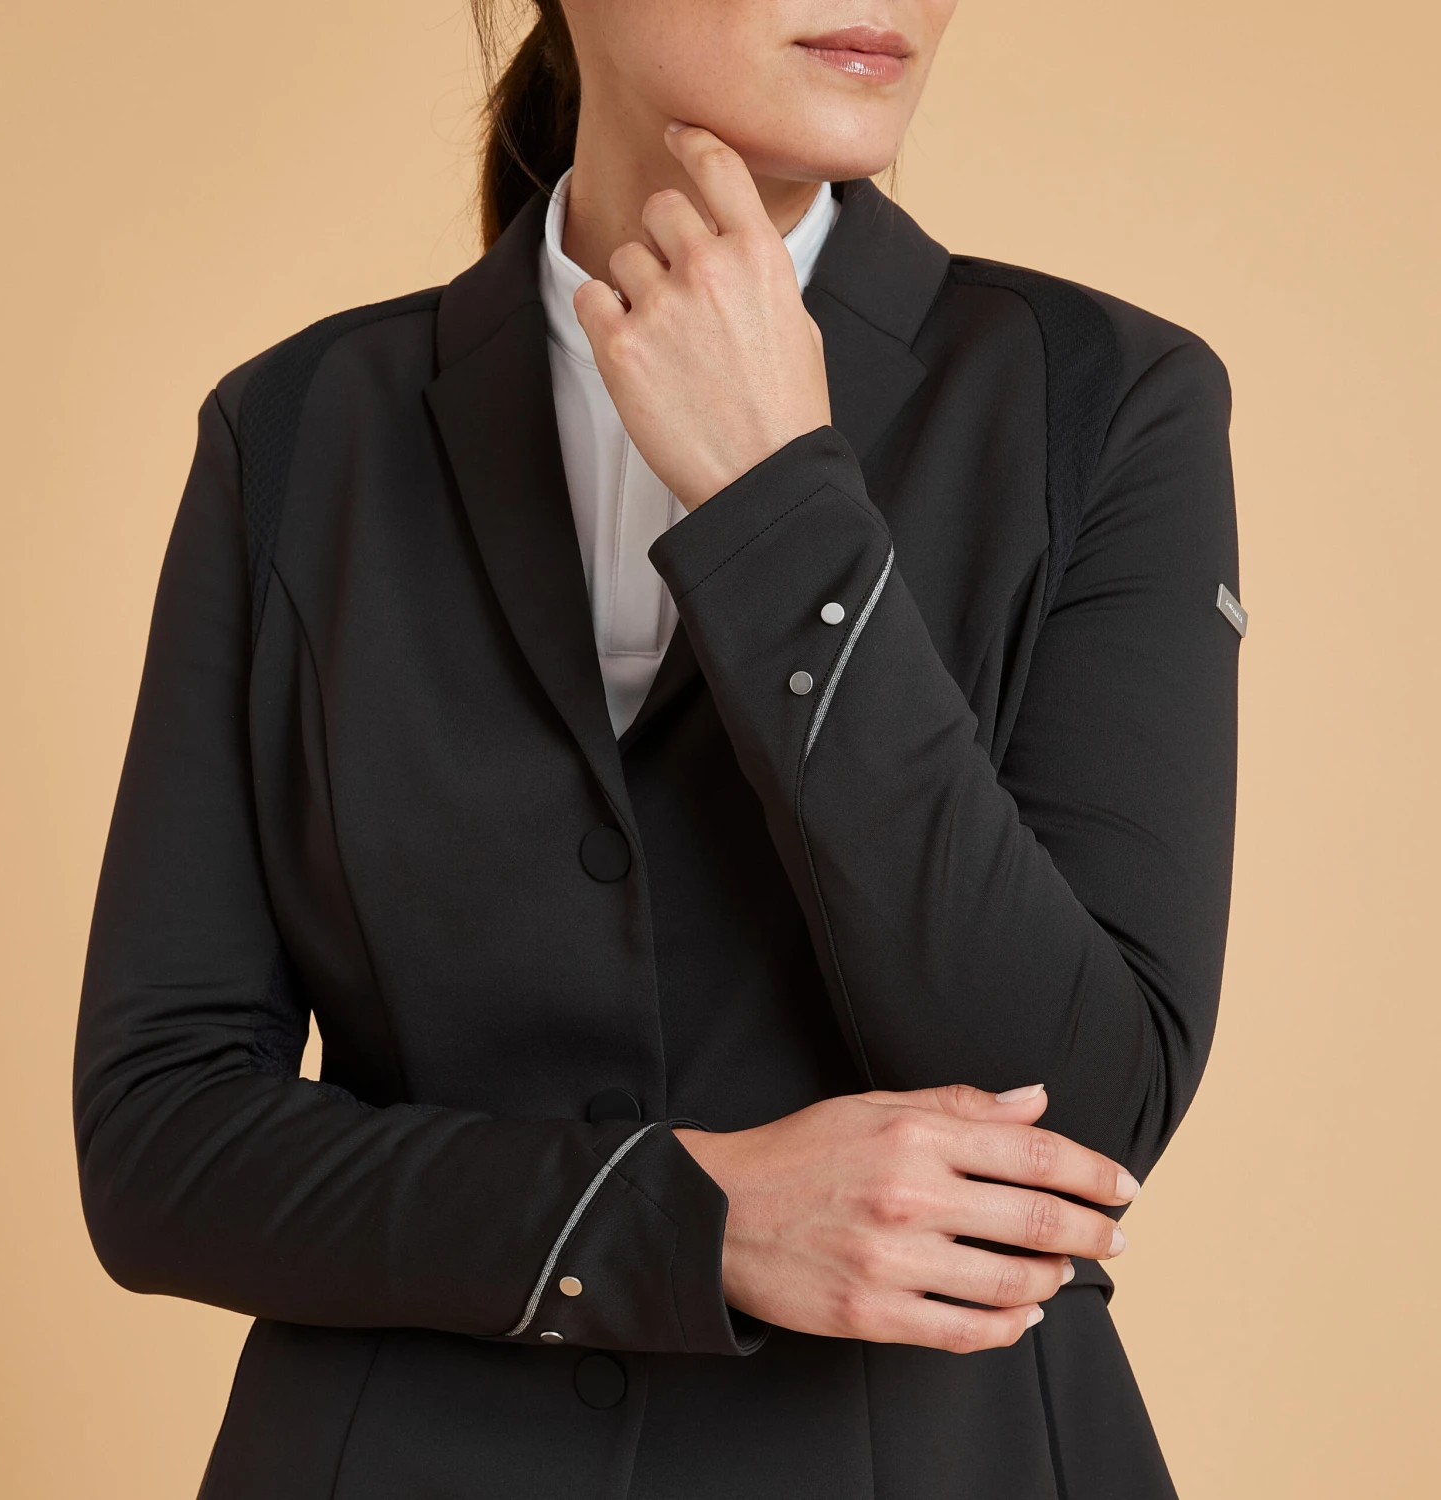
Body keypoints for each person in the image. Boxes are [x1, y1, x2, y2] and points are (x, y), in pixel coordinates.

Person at [73, 2, 1241, 1496]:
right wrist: (687, 1220)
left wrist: (777, 503)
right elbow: (160, 1141)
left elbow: (1079, 1121)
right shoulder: (297, 433)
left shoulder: (1104, 403)